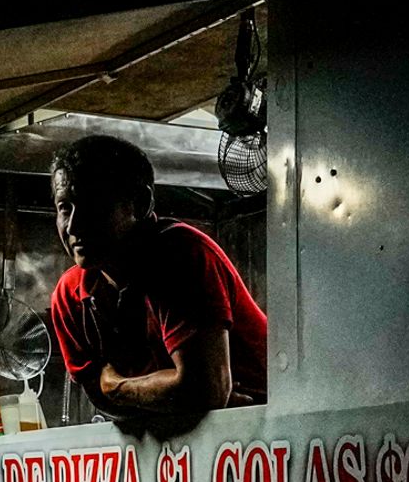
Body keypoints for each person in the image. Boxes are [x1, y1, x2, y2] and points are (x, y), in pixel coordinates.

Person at [46, 133, 266, 435]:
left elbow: (204, 390)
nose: (73, 226)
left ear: (140, 202)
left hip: (274, 440)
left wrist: (116, 385)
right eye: (65, 207)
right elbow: (102, 400)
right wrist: (175, 393)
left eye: (93, 204)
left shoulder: (179, 254)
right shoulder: (69, 295)